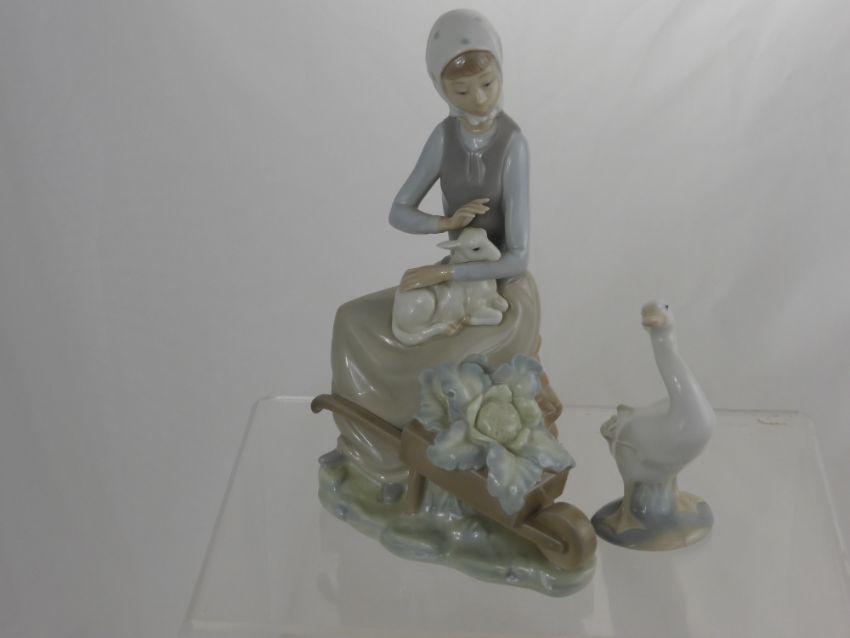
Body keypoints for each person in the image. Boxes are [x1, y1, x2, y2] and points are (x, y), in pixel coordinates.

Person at [390, 8, 530, 292]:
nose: (479, 98)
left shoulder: (513, 143)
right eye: (462, 91)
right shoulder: (444, 137)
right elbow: (398, 212)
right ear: (442, 89)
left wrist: (446, 273)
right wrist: (446, 223)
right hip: (460, 266)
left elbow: (518, 257)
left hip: (500, 279)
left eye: (487, 83)